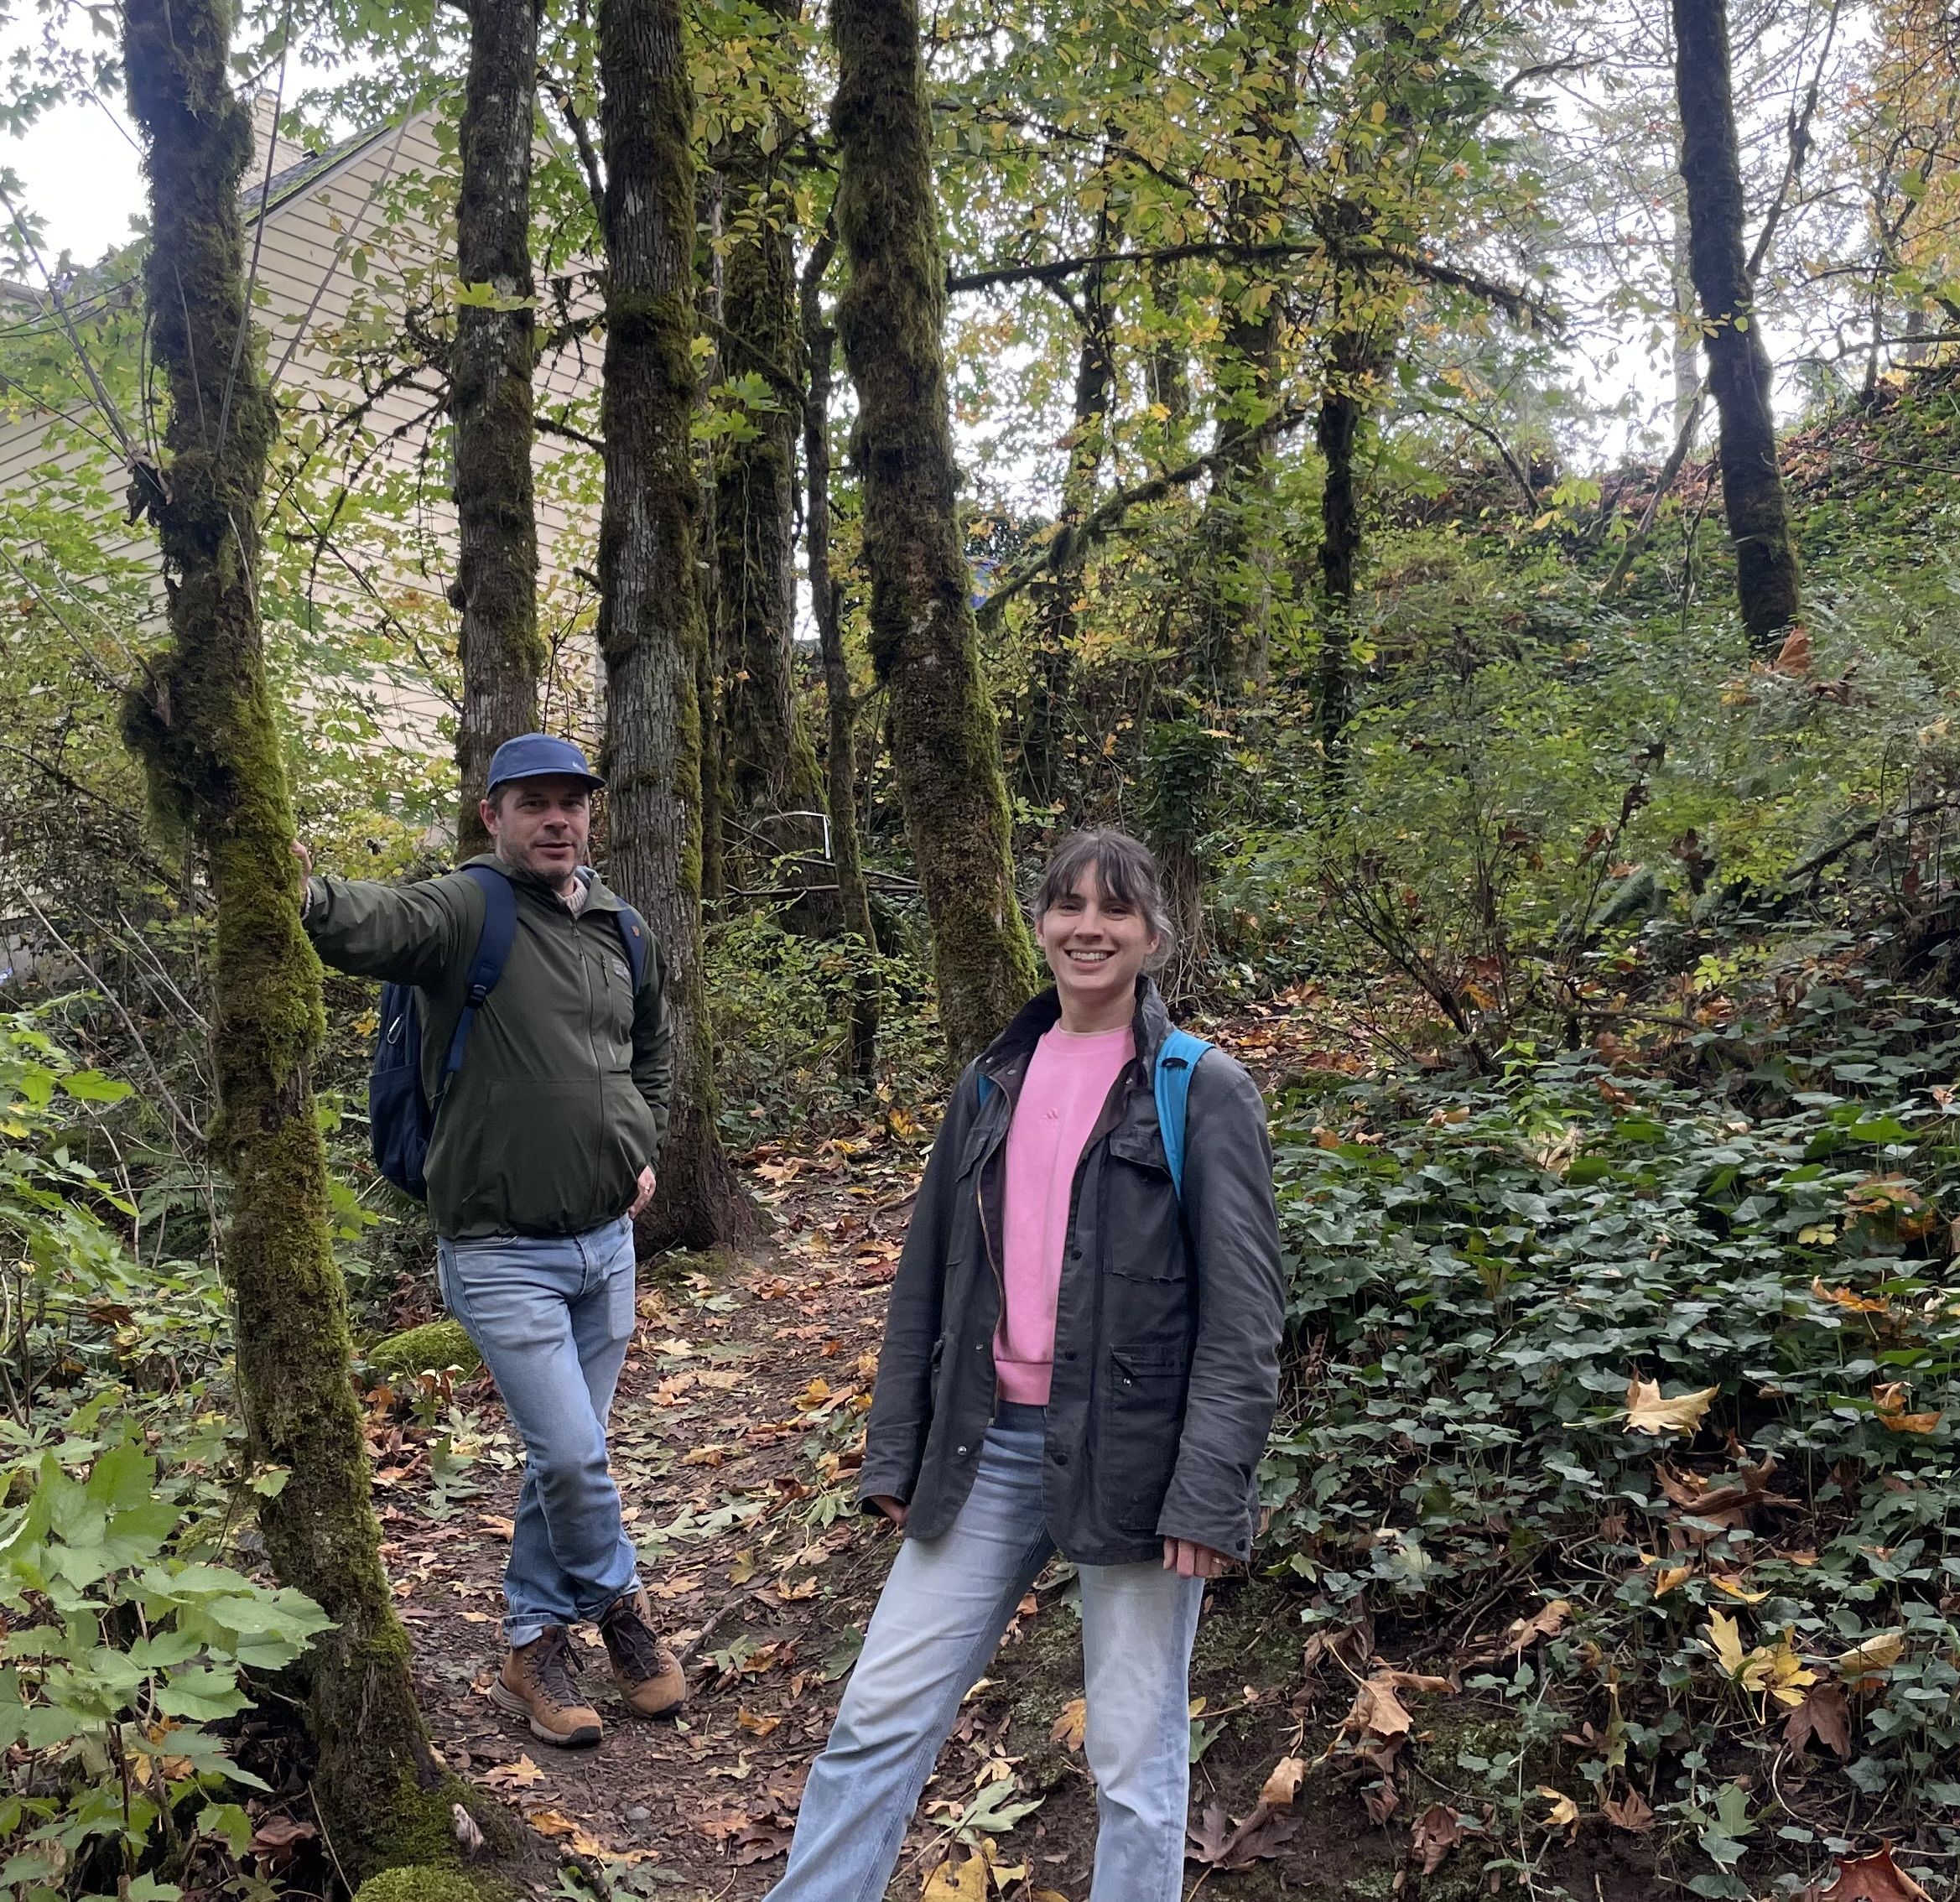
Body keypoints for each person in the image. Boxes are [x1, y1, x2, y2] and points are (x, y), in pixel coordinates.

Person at [765, 825, 1286, 1902]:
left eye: (1114, 911)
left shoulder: (1202, 1088)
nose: (1088, 928)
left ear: (1153, 935)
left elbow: (1245, 1316)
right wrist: (895, 1456)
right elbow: (928, 1283)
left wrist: (1208, 1492)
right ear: (1039, 923)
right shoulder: (991, 1080)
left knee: (1135, 1759)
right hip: (985, 1445)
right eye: (1068, 907)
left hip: (1135, 1464)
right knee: (876, 1720)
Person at [299, 731, 685, 1749]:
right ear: (495, 818)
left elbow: (647, 1053)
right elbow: (374, 924)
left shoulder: (622, 927)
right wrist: (301, 890)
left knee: (568, 1460)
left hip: (607, 1244)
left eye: (572, 803)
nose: (558, 820)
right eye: (534, 805)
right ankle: (621, 1614)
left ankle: (528, 1642)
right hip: (498, 1247)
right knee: (570, 1451)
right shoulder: (469, 907)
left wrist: (639, 1141)